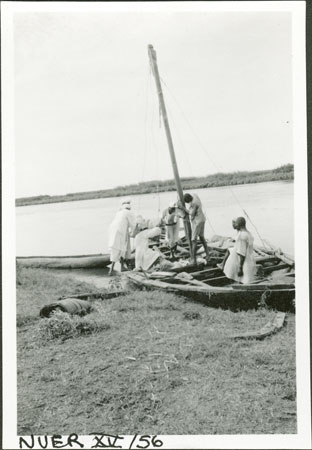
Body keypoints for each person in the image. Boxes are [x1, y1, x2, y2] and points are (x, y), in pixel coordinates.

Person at [221, 217, 256, 284]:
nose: (235, 225)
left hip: (244, 262)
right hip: (250, 260)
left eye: (236, 223)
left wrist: (240, 268)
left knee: (242, 279)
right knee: (245, 279)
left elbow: (241, 253)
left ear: (239, 224)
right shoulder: (249, 233)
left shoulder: (242, 236)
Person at [177, 193, 210, 265]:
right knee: (201, 237)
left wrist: (182, 207)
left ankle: (193, 259)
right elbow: (195, 195)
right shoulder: (195, 197)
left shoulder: (194, 203)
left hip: (197, 222)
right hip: (202, 219)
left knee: (193, 240)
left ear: (189, 200)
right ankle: (208, 255)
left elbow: (191, 213)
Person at [108, 198, 136, 275]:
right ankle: (113, 269)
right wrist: (134, 233)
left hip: (113, 230)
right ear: (129, 207)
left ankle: (115, 268)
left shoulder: (119, 212)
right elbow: (133, 225)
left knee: (116, 248)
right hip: (121, 231)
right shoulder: (129, 213)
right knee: (122, 247)